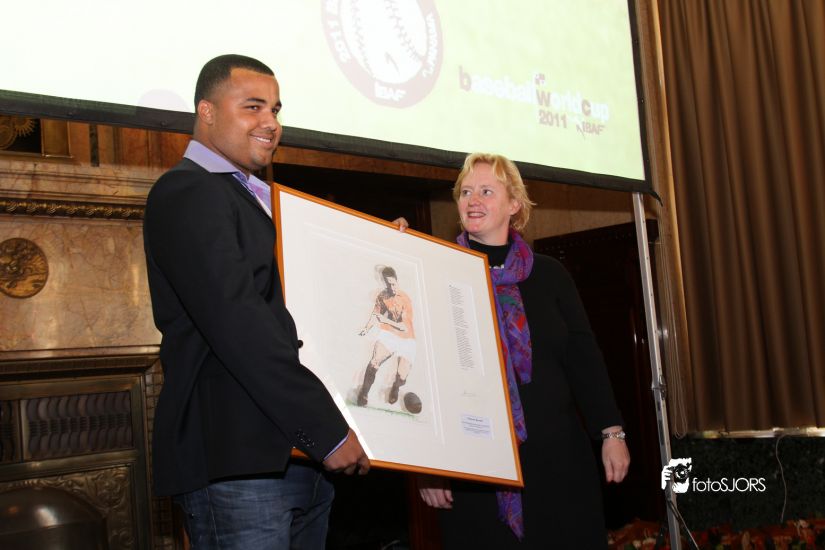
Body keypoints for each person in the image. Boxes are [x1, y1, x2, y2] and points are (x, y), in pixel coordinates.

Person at [143, 54, 369, 549]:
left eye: (275, 109)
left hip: (296, 457)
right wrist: (324, 429)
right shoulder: (188, 191)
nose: (271, 122)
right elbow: (239, 322)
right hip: (240, 461)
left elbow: (298, 304)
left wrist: (382, 253)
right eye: (252, 106)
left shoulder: (257, 197)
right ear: (206, 111)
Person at [415, 153, 630, 549]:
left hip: (558, 461)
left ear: (514, 204)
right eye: (465, 192)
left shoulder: (550, 275)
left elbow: (584, 360)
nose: (472, 200)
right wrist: (428, 466)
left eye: (486, 191)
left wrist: (611, 432)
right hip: (473, 467)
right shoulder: (438, 271)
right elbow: (424, 372)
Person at [356, 266, 416, 407]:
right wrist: (366, 328)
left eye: (393, 284)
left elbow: (404, 327)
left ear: (397, 281)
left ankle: (396, 387)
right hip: (389, 335)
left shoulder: (405, 299)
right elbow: (375, 315)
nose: (392, 288)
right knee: (374, 362)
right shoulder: (382, 296)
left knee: (402, 375)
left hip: (407, 339)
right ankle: (364, 393)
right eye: (388, 285)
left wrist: (385, 320)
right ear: (384, 284)